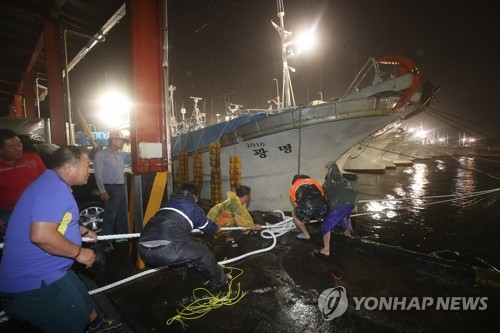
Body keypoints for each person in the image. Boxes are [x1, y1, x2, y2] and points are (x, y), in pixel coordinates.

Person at [0, 146, 121, 333]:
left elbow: (51, 218)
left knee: (83, 300)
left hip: (52, 270)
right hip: (34, 282)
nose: (90, 170)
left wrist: (79, 229)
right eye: (87, 166)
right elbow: (41, 235)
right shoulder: (54, 188)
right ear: (68, 168)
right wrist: (80, 253)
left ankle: (98, 326)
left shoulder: (51, 182)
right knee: (73, 322)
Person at [138, 182, 230, 292]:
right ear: (195, 196)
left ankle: (181, 274)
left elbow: (179, 225)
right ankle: (220, 281)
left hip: (143, 250)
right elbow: (208, 227)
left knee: (182, 244)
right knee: (202, 251)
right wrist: (216, 228)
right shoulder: (194, 207)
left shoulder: (166, 205)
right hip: (166, 250)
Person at [0, 129, 46, 241]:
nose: (19, 149)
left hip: (36, 210)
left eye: (19, 144)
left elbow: (46, 181)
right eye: (12, 147)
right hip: (8, 213)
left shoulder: (33, 158)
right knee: (12, 241)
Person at [94, 130, 130, 252]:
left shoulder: (119, 155)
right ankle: (105, 242)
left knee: (122, 214)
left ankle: (121, 239)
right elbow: (98, 175)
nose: (123, 143)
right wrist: (102, 191)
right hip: (110, 188)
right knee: (110, 215)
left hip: (121, 187)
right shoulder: (101, 155)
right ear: (114, 141)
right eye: (121, 141)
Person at [314, 163, 358, 258]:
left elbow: (325, 200)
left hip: (339, 204)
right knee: (345, 217)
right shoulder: (345, 180)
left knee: (326, 226)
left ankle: (326, 249)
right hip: (352, 201)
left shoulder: (326, 184)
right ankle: (348, 234)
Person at [289, 174, 328, 242]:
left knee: (294, 213)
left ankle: (305, 234)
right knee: (323, 210)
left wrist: (305, 217)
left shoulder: (293, 187)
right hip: (322, 208)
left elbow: (297, 204)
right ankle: (325, 228)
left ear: (294, 181)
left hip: (307, 208)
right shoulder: (314, 182)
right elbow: (323, 196)